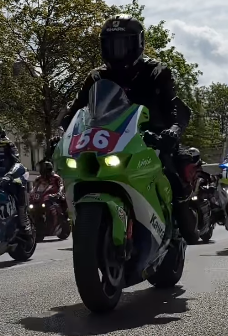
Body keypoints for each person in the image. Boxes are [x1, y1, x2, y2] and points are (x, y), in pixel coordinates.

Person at [60, 14, 193, 234]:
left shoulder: (156, 71)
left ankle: (182, 227)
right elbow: (75, 109)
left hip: (152, 140)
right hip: (105, 142)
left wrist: (173, 130)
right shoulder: (96, 76)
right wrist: (61, 132)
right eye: (111, 45)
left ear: (138, 43)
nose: (116, 51)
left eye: (122, 44)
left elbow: (174, 105)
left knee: (172, 173)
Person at [33, 160, 67, 226]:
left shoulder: (56, 177)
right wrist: (32, 193)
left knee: (63, 200)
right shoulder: (38, 178)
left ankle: (61, 218)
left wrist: (59, 193)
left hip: (54, 197)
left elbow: (61, 185)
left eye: (45, 170)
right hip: (42, 197)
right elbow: (35, 187)